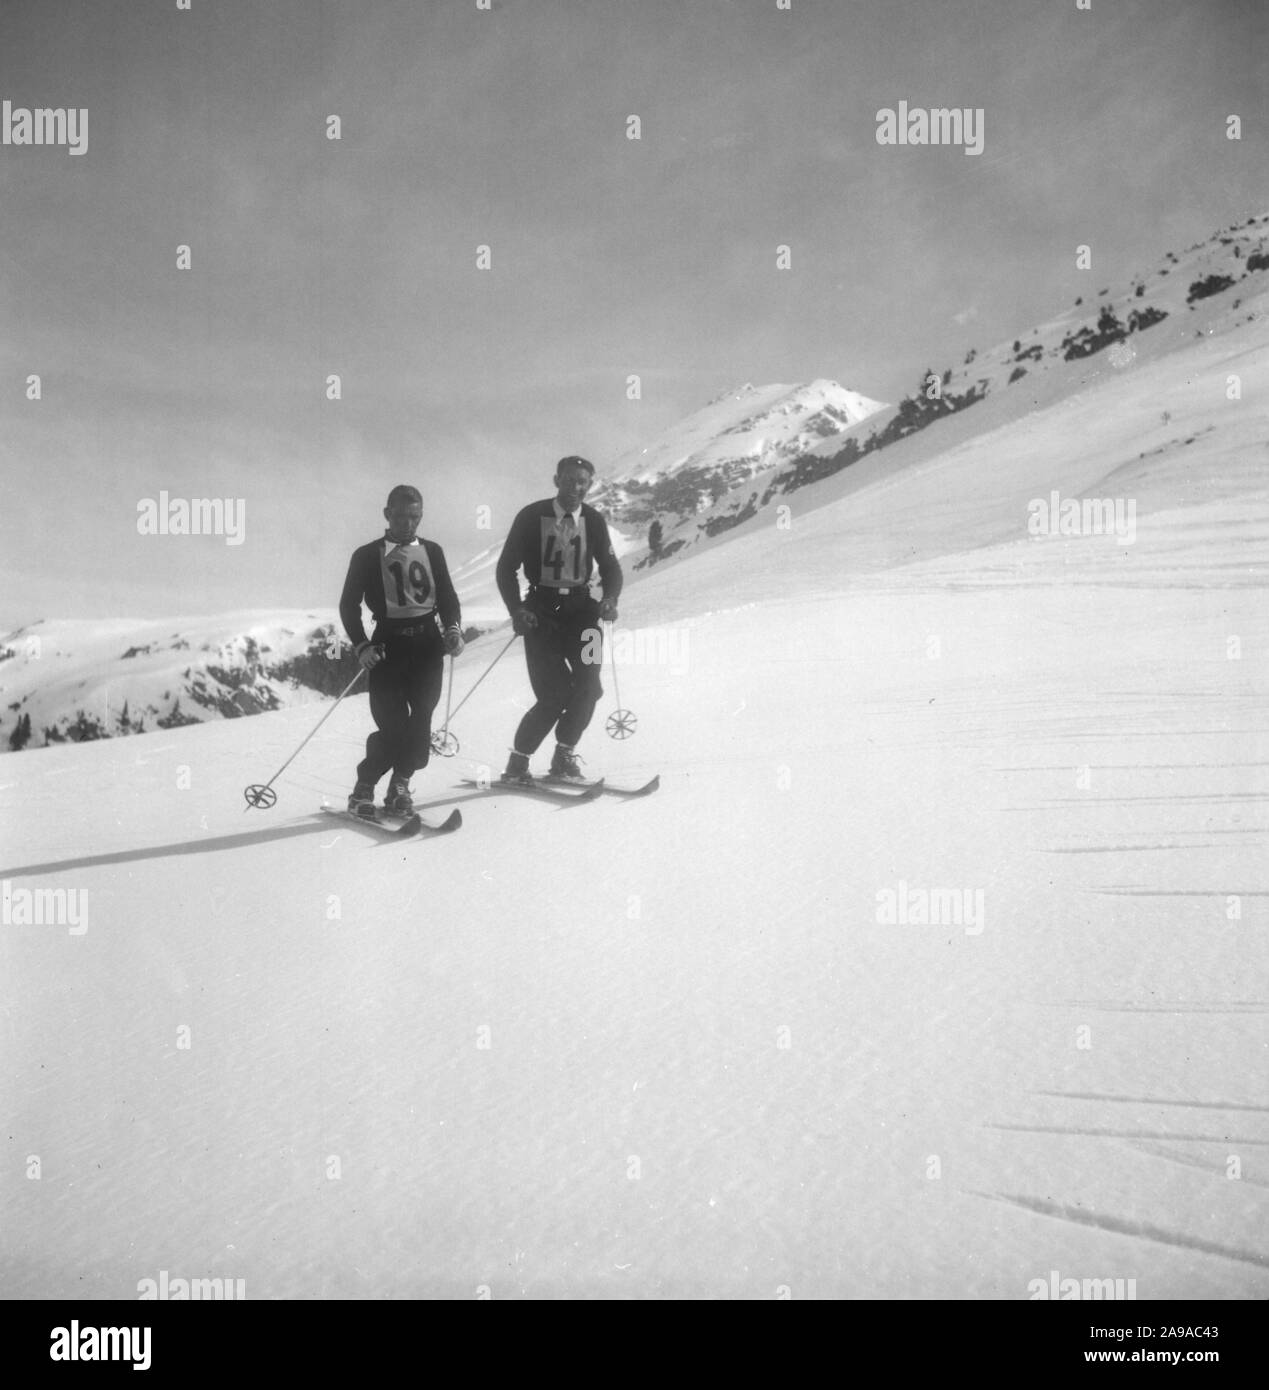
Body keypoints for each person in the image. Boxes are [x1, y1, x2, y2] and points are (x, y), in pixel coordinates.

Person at [495, 455, 623, 784]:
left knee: (590, 688)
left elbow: (610, 568)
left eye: (582, 482)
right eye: (569, 480)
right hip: (541, 612)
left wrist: (610, 599)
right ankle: (518, 762)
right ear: (556, 480)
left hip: (583, 612)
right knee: (553, 694)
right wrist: (516, 610)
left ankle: (564, 754)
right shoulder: (531, 515)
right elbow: (505, 567)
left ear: (589, 486)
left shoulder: (593, 520)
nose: (575, 488)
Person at [339, 485, 464, 816]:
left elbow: (448, 596)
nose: (408, 524)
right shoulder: (366, 555)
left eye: (415, 517)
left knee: (421, 726)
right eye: (401, 516)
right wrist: (361, 645)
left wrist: (452, 629)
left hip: (426, 647)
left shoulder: (433, 551)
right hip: (387, 647)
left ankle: (400, 785)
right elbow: (348, 605)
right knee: (393, 727)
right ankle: (364, 787)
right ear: (387, 514)